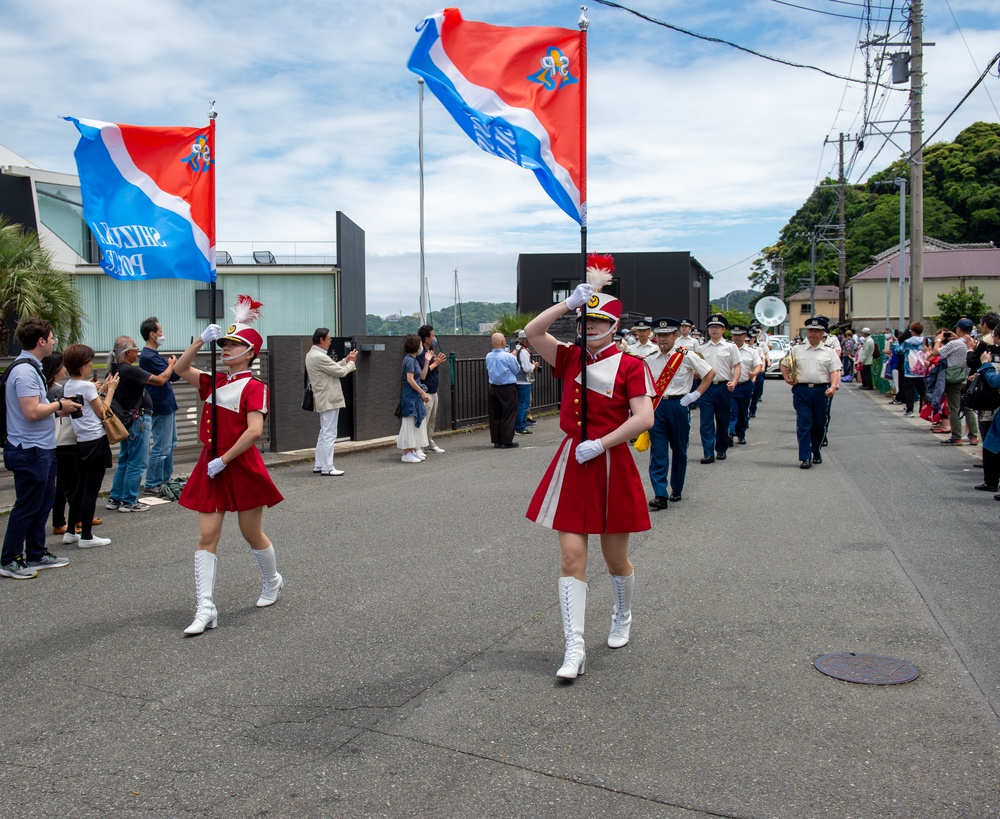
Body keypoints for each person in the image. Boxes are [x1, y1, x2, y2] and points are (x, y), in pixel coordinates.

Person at [524, 256, 654, 681]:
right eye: (586, 321)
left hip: (610, 462)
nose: (590, 328)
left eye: (598, 322)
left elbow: (643, 417)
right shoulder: (569, 358)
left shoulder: (632, 365)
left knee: (616, 559)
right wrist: (567, 304)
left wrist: (601, 442)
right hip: (573, 463)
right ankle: (574, 646)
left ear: (614, 326)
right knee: (570, 556)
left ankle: (622, 614)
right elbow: (532, 332)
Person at [174, 296, 285, 636]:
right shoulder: (212, 381)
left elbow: (254, 431)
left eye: (232, 345)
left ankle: (273, 580)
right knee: (207, 534)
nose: (224, 349)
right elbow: (179, 370)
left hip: (237, 463)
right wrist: (198, 342)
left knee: (250, 532)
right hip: (211, 463)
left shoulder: (255, 387)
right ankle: (205, 607)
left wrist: (224, 460)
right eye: (222, 344)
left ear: (249, 352)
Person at [1, 318, 81, 579]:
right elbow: (32, 411)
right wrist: (60, 406)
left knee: (43, 501)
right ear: (41, 341)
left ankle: (36, 553)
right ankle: (10, 559)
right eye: (51, 337)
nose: (55, 341)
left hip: (41, 448)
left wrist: (58, 405)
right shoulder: (23, 371)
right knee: (27, 504)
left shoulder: (32, 368)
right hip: (29, 449)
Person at [645, 317, 715, 510]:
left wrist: (695, 394)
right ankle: (660, 493)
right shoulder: (650, 359)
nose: (662, 339)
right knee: (658, 451)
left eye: (666, 335)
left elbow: (709, 373)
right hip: (657, 407)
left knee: (679, 450)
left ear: (675, 336)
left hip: (679, 405)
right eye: (659, 335)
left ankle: (676, 487)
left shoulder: (686, 355)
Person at [106, 335, 174, 513]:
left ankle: (115, 497)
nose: (137, 352)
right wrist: (171, 365)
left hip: (125, 420)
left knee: (125, 459)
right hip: (138, 419)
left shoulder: (113, 370)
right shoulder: (130, 370)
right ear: (128, 352)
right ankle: (130, 500)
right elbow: (160, 380)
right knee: (137, 461)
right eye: (135, 349)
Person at [61, 344, 119, 548]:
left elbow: (85, 405)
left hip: (81, 441)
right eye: (89, 362)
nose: (91, 364)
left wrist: (100, 389)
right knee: (91, 490)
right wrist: (110, 390)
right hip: (96, 439)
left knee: (80, 487)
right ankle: (86, 535)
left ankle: (70, 532)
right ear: (83, 365)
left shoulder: (68, 386)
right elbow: (103, 412)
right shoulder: (85, 386)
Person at [780, 316, 842, 468]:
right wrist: (788, 379)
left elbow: (835, 371)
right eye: (811, 330)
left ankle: (816, 449)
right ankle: (805, 456)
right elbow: (784, 364)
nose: (813, 333)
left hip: (821, 391)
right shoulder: (796, 349)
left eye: (817, 331)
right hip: (801, 391)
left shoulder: (829, 352)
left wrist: (833, 386)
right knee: (804, 423)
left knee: (820, 424)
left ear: (823, 334)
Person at [306, 327, 358, 475]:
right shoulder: (319, 356)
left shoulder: (312, 354)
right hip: (329, 398)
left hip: (323, 398)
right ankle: (328, 467)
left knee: (324, 432)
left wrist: (345, 360)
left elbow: (333, 368)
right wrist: (351, 363)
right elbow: (340, 372)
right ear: (321, 340)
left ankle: (319, 464)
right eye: (329, 339)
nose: (330, 342)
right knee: (329, 433)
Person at [139, 317, 181, 494]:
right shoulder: (148, 357)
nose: (163, 335)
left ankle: (165, 479)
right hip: (160, 406)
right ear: (152, 334)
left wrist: (172, 366)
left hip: (167, 404)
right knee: (161, 446)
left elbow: (174, 375)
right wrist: (171, 365)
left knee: (170, 443)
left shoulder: (154, 356)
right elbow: (169, 375)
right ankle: (152, 482)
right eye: (161, 332)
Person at [42, 352, 82, 536]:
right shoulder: (58, 390)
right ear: (56, 368)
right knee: (67, 484)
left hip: (58, 441)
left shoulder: (47, 388)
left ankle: (74, 519)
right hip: (65, 440)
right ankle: (60, 521)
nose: (65, 369)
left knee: (68, 483)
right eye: (62, 366)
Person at [696, 313, 741, 464]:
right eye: (711, 327)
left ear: (723, 330)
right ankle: (708, 452)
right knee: (706, 421)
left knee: (723, 420)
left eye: (717, 327)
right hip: (706, 388)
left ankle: (721, 448)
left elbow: (736, 366)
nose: (714, 330)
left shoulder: (730, 347)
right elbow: (696, 369)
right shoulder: (702, 348)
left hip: (723, 387)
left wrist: (734, 381)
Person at [936, 319, 979, 446]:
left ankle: (957, 437)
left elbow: (936, 352)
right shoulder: (973, 342)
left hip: (954, 379)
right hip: (969, 377)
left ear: (959, 329)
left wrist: (938, 340)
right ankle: (973, 436)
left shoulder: (954, 344)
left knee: (954, 408)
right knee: (968, 408)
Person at [396, 333, 431, 463]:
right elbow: (410, 380)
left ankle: (411, 450)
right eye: (420, 343)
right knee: (409, 424)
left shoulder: (413, 359)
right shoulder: (409, 360)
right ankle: (406, 453)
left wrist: (427, 361)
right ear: (416, 345)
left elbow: (421, 376)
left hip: (414, 396)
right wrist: (422, 392)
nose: (421, 346)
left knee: (414, 424)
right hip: (410, 397)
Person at [726, 324, 761, 447]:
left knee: (743, 411)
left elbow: (758, 365)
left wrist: (754, 373)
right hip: (730, 385)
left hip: (745, 385)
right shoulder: (727, 349)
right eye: (734, 335)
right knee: (732, 411)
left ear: (745, 336)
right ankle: (730, 433)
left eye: (739, 335)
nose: (736, 338)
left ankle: (741, 433)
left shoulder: (751, 351)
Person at [416, 325, 448, 453]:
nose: (435, 338)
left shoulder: (430, 351)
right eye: (433, 336)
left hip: (433, 390)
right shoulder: (420, 353)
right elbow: (421, 375)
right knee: (424, 419)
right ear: (426, 339)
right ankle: (420, 445)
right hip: (425, 391)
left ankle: (429, 442)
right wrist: (435, 363)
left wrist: (436, 363)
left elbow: (433, 370)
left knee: (432, 420)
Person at [486, 332, 520, 449]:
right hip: (507, 388)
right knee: (508, 414)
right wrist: (514, 357)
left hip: (494, 387)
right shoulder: (508, 356)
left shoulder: (488, 356)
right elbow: (516, 370)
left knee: (495, 414)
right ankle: (506, 441)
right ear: (503, 342)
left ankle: (496, 440)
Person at [893, 322, 926, 417]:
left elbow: (899, 351)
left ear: (912, 331)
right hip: (921, 369)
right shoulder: (925, 340)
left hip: (909, 369)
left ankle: (910, 410)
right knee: (922, 391)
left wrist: (895, 343)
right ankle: (923, 408)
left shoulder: (908, 342)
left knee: (909, 390)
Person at [513, 329, 540, 435]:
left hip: (517, 380)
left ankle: (519, 425)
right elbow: (527, 368)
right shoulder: (524, 352)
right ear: (526, 340)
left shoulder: (517, 349)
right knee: (524, 405)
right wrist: (535, 365)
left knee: (520, 404)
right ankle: (520, 427)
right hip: (524, 381)